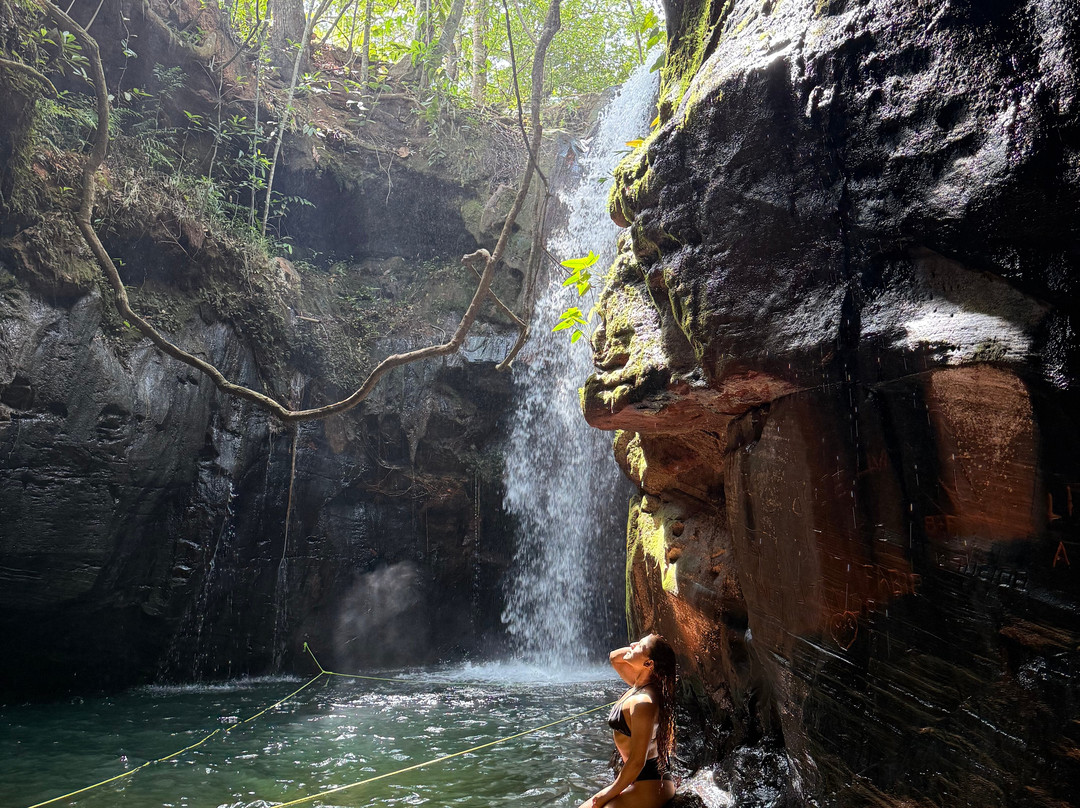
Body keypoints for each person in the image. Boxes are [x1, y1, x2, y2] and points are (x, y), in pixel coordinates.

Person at [578, 634, 677, 808]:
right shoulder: (639, 684)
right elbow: (614, 657)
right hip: (637, 780)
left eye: (639, 645)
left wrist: (605, 795)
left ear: (649, 664)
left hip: (651, 784)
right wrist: (638, 649)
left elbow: (638, 761)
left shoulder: (643, 702)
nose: (632, 644)